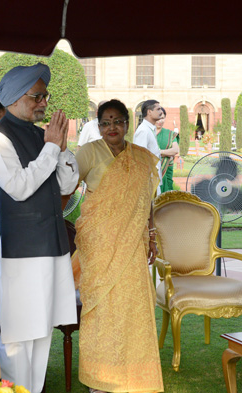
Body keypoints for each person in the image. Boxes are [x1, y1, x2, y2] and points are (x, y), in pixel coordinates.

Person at [0, 63, 78, 393]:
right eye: (37, 96)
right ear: (15, 98)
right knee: (17, 339)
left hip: (50, 249)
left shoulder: (42, 135)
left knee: (42, 334)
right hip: (17, 255)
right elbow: (19, 187)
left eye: (44, 96)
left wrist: (60, 148)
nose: (44, 103)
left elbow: (67, 183)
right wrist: (51, 148)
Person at [75, 99, 163, 393]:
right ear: (98, 126)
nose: (112, 128)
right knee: (102, 307)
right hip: (99, 245)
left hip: (132, 244)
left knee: (132, 307)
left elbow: (144, 199)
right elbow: (65, 188)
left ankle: (134, 373)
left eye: (118, 121)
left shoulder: (141, 157)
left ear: (128, 123)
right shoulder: (87, 153)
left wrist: (151, 233)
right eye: (105, 122)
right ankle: (100, 377)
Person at [133, 99, 162, 194]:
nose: (161, 112)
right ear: (149, 112)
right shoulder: (143, 131)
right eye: (158, 109)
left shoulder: (150, 129)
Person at [155, 108, 179, 193]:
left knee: (166, 198)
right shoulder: (147, 133)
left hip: (165, 172)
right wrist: (167, 153)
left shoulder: (170, 134)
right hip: (149, 174)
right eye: (158, 118)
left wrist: (159, 152)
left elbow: (175, 150)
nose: (160, 120)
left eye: (163, 118)